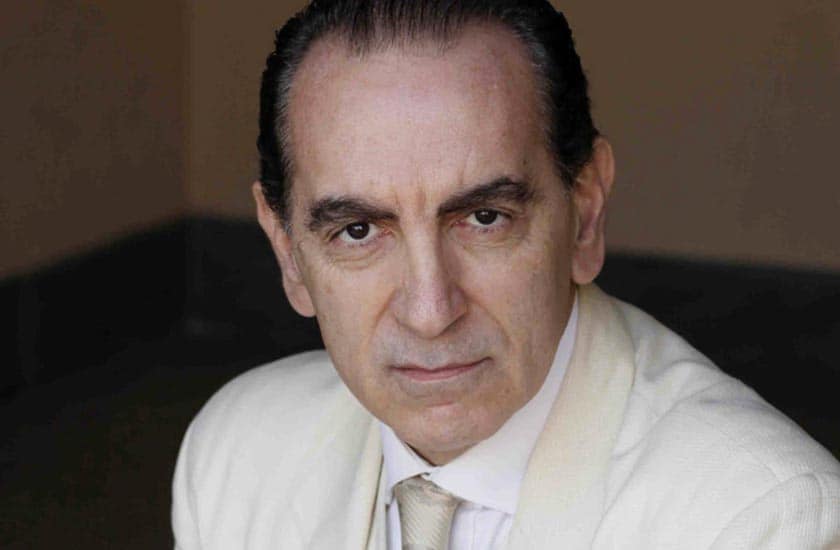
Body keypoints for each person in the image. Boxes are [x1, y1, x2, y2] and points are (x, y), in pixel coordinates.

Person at [171, 1, 840, 548]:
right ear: (288, 252)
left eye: (484, 218)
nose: (430, 312)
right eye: (359, 231)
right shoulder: (234, 455)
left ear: (585, 214)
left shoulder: (762, 521)